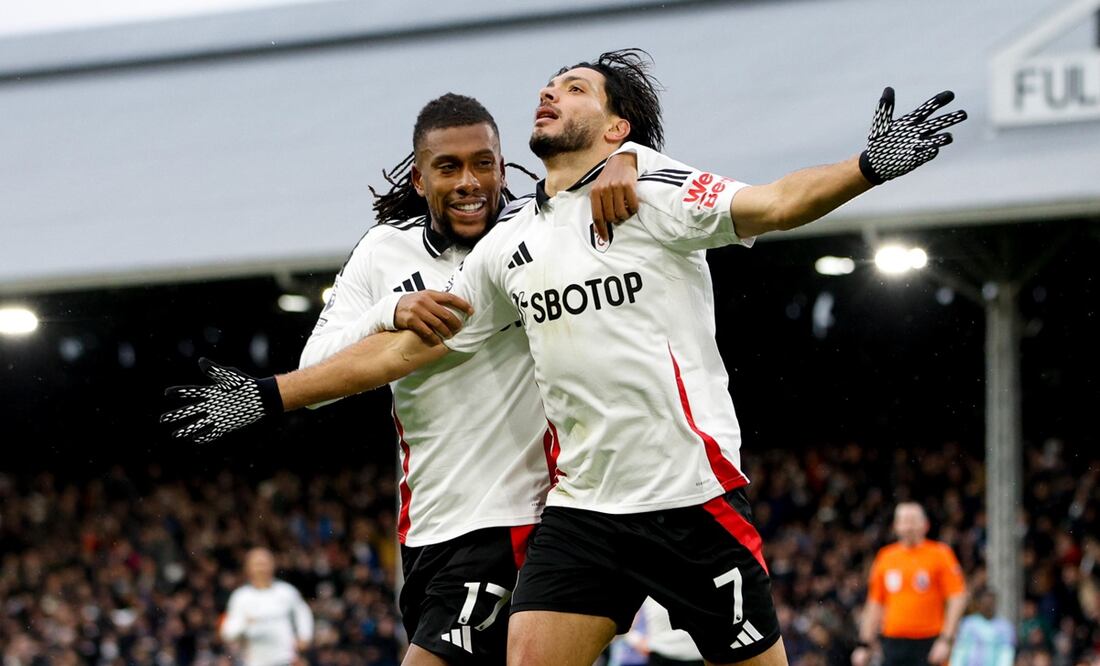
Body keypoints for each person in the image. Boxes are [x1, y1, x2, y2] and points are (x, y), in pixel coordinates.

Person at [164, 49, 966, 666]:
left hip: (690, 500)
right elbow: (396, 354)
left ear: (616, 129)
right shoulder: (508, 248)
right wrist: (268, 395)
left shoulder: (648, 190)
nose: (553, 92)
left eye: (577, 87)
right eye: (551, 85)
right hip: (580, 515)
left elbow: (778, 202)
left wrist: (869, 166)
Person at [292, 92, 636, 666]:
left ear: (504, 167)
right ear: (420, 178)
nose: (469, 181)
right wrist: (390, 312)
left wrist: (629, 158)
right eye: (447, 167)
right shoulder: (383, 252)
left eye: (483, 163)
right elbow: (313, 374)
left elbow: (619, 173)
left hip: (519, 519)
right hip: (425, 530)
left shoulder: (540, 229)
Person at [852, 503, 968, 666]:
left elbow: (957, 597)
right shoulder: (886, 557)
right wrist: (864, 644)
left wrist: (946, 639)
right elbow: (875, 603)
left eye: (913, 520)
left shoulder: (940, 554)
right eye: (904, 521)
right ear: (896, 526)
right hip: (893, 642)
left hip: (930, 641)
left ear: (925, 524)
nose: (909, 526)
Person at [220, 547, 314, 666]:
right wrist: (245, 624)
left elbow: (303, 613)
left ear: (273, 565)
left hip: (285, 660)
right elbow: (228, 632)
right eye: (257, 564)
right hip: (254, 662)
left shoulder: (286, 591)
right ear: (248, 568)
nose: (261, 568)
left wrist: (304, 636)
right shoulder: (241, 597)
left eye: (265, 563)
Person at [949, 588, 1015, 666]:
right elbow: (960, 650)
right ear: (979, 604)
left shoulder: (1005, 627)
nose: (989, 607)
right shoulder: (968, 624)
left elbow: (1006, 653)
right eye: (986, 603)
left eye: (991, 603)